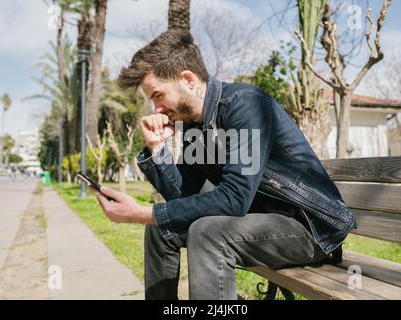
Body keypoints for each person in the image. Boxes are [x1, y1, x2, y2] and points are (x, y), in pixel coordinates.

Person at [93, 29, 357, 300]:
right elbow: (185, 195)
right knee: (162, 229)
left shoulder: (245, 105)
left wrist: (143, 213)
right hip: (258, 223)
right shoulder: (196, 125)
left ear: (187, 79)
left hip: (310, 229)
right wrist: (157, 149)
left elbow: (234, 199)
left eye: (158, 95)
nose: (156, 109)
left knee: (207, 233)